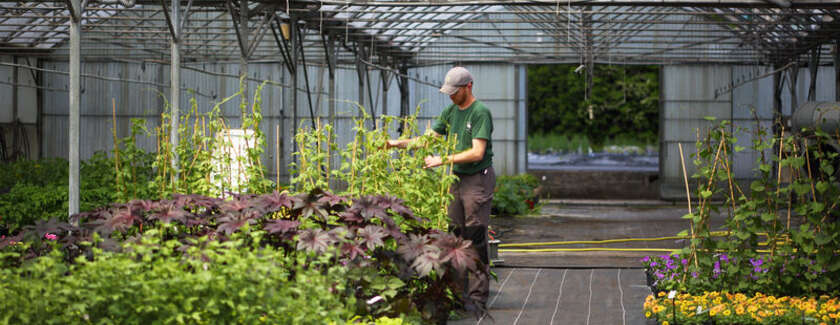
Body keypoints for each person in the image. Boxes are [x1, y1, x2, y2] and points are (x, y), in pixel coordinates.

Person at [386, 66, 495, 316]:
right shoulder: (451, 110)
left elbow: (477, 152)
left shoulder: (480, 113)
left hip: (478, 179)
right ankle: (458, 295)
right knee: (454, 237)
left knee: (474, 236)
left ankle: (477, 300)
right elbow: (428, 139)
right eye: (448, 92)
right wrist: (398, 144)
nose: (450, 96)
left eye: (454, 92)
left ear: (468, 87)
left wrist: (442, 159)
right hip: (457, 179)